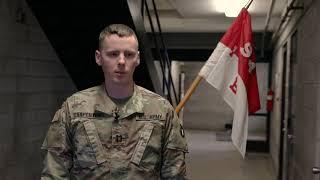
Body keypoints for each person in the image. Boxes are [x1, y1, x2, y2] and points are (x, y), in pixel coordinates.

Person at [41, 24, 188, 179]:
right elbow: (54, 172)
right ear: (99, 57)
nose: (122, 61)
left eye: (129, 54)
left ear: (138, 58)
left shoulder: (161, 110)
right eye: (113, 54)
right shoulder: (74, 108)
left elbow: (174, 174)